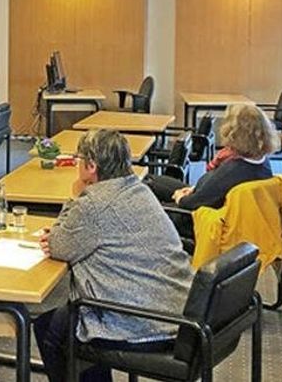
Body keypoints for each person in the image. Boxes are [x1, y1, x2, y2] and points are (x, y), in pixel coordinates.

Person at [35, 130, 193, 382]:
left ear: (91, 166)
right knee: (66, 318)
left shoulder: (94, 203)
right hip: (178, 308)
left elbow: (59, 245)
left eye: (79, 159)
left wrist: (74, 196)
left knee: (51, 329)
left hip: (145, 322)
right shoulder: (139, 190)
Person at [146, 103, 279, 210]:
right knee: (150, 180)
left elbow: (192, 204)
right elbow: (213, 190)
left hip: (199, 219)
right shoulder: (262, 163)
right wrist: (193, 190)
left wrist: (180, 197)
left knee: (147, 188)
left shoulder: (232, 171)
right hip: (205, 197)